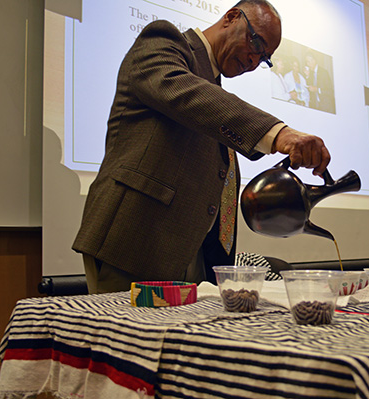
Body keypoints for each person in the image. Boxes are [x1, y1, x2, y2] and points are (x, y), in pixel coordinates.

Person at [72, 0, 331, 294]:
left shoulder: (215, 91)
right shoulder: (165, 41)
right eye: (255, 42)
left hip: (189, 256)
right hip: (136, 242)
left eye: (264, 58)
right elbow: (185, 93)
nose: (254, 59)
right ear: (232, 17)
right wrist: (276, 133)